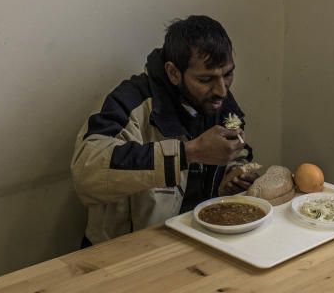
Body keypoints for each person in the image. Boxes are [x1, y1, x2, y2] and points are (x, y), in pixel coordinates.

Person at [71, 15, 259, 246]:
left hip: (197, 243)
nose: (221, 90)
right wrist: (188, 153)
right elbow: (86, 173)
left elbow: (239, 152)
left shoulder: (218, 99)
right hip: (125, 254)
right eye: (205, 79)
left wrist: (234, 174)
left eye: (228, 74)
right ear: (173, 72)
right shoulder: (131, 101)